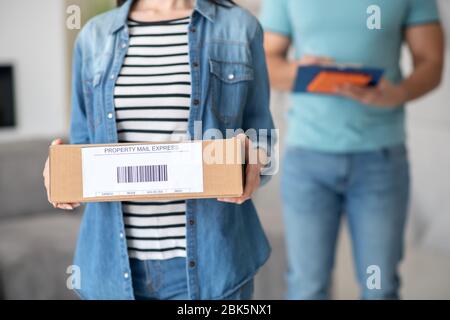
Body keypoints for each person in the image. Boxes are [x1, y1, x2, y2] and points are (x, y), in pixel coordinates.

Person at [42, 0, 275, 300]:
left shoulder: (239, 27)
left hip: (215, 268)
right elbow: (82, 143)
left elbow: (263, 139)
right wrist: (64, 175)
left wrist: (253, 161)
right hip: (113, 272)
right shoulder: (94, 36)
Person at [260, 0, 444, 299]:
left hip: (380, 161)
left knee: (380, 288)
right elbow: (264, 61)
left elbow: (431, 61)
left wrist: (398, 93)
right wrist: (301, 73)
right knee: (306, 287)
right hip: (308, 160)